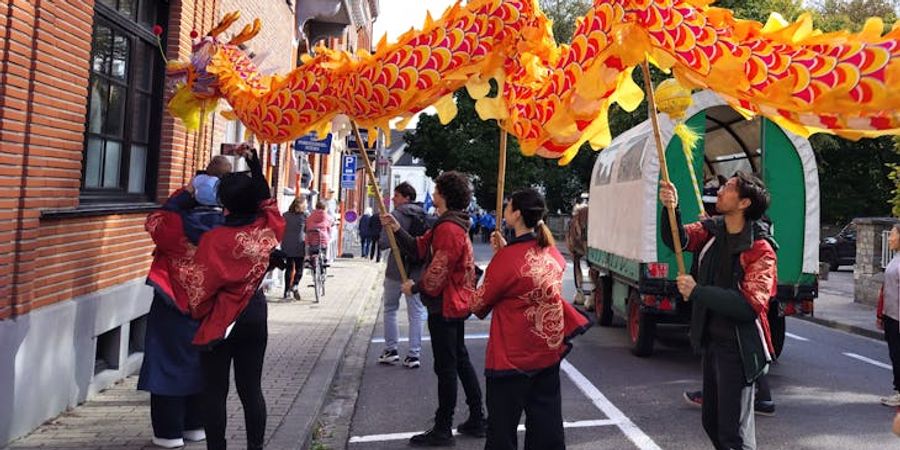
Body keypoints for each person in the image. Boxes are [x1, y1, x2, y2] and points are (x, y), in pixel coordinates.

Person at [660, 171, 777, 450]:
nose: (720, 191)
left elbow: (749, 305)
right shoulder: (712, 231)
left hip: (738, 349)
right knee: (711, 423)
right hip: (712, 342)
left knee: (731, 433)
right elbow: (677, 239)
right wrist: (670, 209)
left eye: (728, 187)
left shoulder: (761, 249)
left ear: (744, 203)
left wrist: (698, 291)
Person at [470, 188, 591, 450]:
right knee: (546, 430)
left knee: (501, 433)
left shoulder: (507, 259)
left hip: (510, 357)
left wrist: (475, 275)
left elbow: (478, 304)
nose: (504, 210)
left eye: (508, 206)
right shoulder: (552, 254)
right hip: (545, 353)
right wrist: (504, 253)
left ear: (516, 214)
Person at [184, 146, 286, 450]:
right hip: (254, 312)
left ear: (223, 203)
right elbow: (268, 200)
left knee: (214, 391)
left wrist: (199, 313)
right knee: (251, 389)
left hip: (219, 318)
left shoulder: (213, 240)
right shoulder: (266, 231)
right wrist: (255, 164)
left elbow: (198, 289)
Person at [382, 171, 485, 447]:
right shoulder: (448, 223)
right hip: (451, 303)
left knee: (447, 366)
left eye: (437, 189)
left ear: (444, 195)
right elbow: (419, 248)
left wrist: (414, 288)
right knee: (459, 360)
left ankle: (443, 428)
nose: (433, 192)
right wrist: (396, 228)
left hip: (447, 306)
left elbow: (438, 270)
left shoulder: (449, 228)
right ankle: (477, 417)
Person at [140, 157, 231, 449]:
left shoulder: (175, 223)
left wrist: (183, 195)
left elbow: (154, 220)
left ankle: (168, 433)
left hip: (173, 301)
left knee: (168, 364)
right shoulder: (231, 229)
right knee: (203, 364)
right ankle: (195, 425)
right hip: (212, 306)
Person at [376, 182, 428, 368]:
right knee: (416, 313)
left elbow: (383, 242)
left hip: (395, 271)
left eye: (396, 195)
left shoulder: (394, 215)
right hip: (416, 270)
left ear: (406, 197)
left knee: (390, 308)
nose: (393, 199)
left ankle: (391, 349)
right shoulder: (424, 215)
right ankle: (414, 354)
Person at [877, 223, 900, 406]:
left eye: (893, 235)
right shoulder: (896, 258)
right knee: (895, 354)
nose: (890, 238)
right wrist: (881, 314)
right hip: (891, 315)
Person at [281, 197, 308, 300]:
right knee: (299, 268)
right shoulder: (305, 216)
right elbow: (307, 229)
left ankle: (286, 291)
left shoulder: (285, 215)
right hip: (299, 245)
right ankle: (295, 285)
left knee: (289, 268)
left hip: (287, 244)